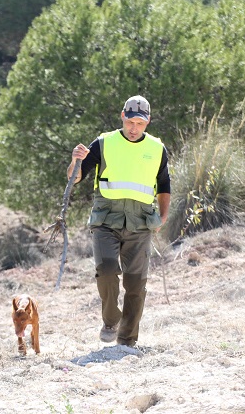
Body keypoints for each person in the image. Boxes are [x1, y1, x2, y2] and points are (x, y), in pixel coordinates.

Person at [68, 95, 170, 347]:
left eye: (140, 123)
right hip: (106, 220)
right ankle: (111, 320)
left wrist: (163, 217)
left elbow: (164, 185)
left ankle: (127, 340)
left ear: (148, 122)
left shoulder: (157, 148)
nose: (134, 128)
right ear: (122, 116)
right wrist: (75, 161)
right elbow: (75, 178)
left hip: (141, 223)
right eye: (130, 122)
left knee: (136, 284)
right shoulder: (103, 143)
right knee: (106, 270)